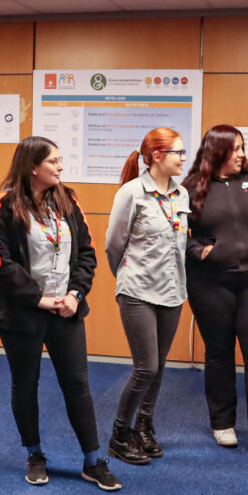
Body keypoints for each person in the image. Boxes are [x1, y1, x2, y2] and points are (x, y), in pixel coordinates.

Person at [0, 136, 119, 491]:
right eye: (54, 161)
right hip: (23, 313)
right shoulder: (3, 206)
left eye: (60, 160)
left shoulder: (68, 200)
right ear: (32, 167)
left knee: (78, 385)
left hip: (66, 310)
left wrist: (75, 293)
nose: (60, 167)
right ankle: (35, 454)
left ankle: (92, 460)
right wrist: (38, 298)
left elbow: (87, 253)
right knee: (25, 385)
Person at [183, 125, 248, 452]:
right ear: (218, 151)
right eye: (236, 148)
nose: (242, 154)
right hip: (210, 282)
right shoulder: (191, 187)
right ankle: (223, 423)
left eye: (242, 147)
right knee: (220, 352)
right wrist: (201, 251)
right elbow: (177, 233)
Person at [104, 127, 189, 465]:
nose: (184, 159)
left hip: (172, 290)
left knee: (159, 366)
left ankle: (143, 426)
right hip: (137, 290)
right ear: (157, 156)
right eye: (178, 153)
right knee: (146, 367)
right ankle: (120, 434)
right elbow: (114, 244)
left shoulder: (181, 195)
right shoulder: (131, 192)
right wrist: (125, 276)